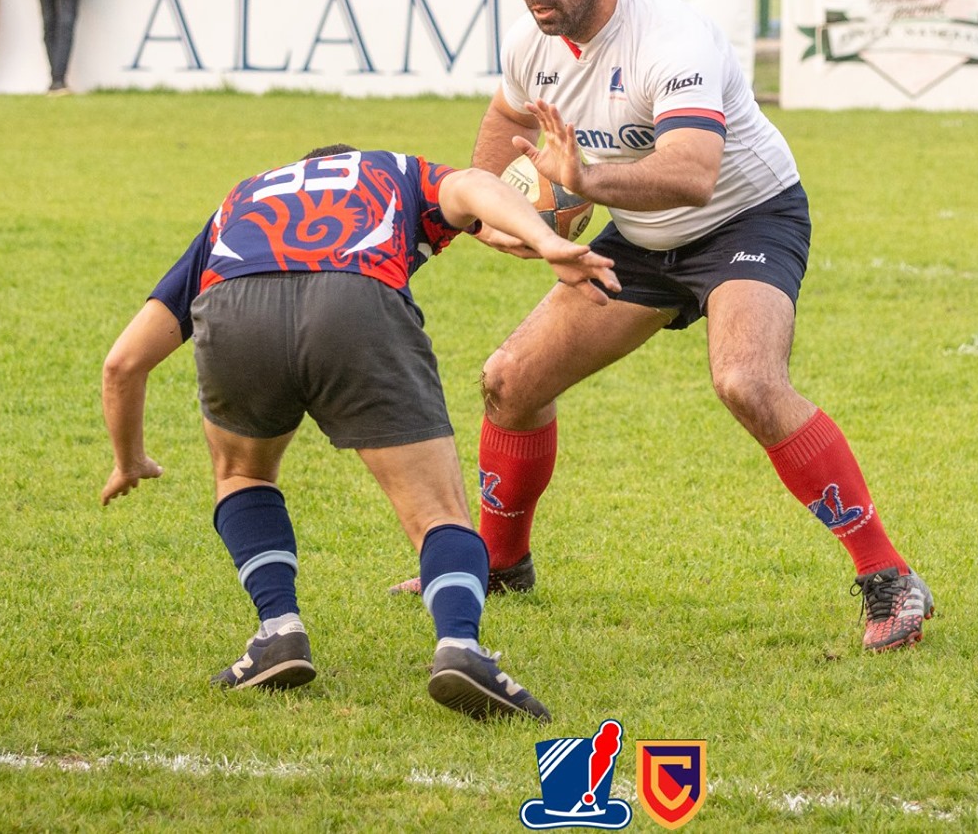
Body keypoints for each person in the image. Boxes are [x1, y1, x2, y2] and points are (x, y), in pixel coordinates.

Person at [391, 0, 932, 654]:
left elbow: (693, 172)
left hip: (746, 219)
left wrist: (583, 183)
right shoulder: (531, 42)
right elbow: (506, 121)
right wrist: (494, 215)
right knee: (509, 379)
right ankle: (500, 565)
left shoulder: (673, 37)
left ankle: (890, 576)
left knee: (747, 380)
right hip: (643, 236)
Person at [100, 144, 620, 721]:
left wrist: (129, 460)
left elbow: (123, 364)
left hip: (235, 304)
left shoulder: (242, 199)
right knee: (437, 514)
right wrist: (547, 241)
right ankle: (460, 647)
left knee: (242, 472)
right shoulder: (393, 170)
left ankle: (278, 630)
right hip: (353, 298)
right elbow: (473, 183)